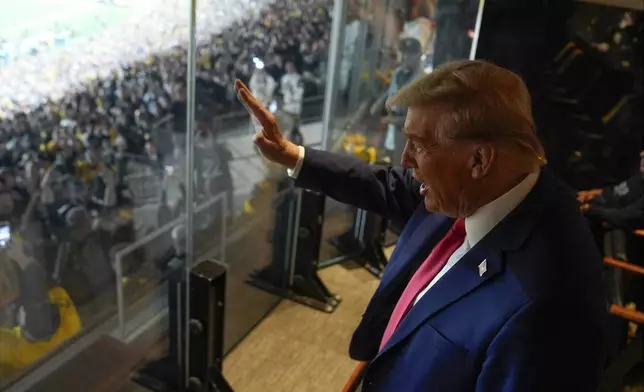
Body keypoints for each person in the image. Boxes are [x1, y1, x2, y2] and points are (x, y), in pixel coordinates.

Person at [234, 60, 607, 391]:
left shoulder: (549, 307)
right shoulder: (479, 186)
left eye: (417, 144)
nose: (405, 159)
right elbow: (388, 184)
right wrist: (291, 154)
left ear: (479, 159)